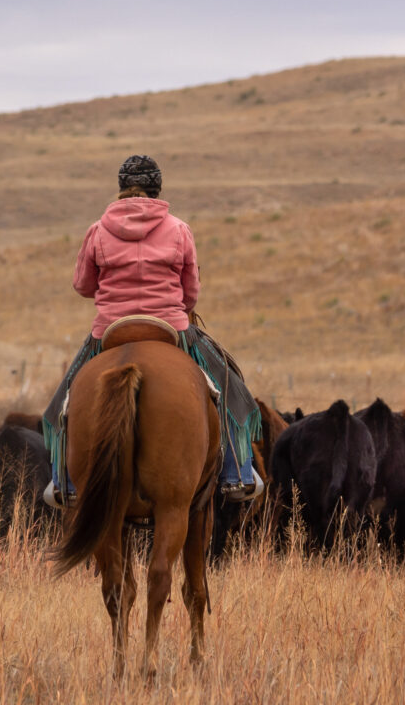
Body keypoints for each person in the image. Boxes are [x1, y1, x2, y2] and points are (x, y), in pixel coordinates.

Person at [41, 154, 262, 505]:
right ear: (157, 189)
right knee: (231, 391)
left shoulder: (97, 230)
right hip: (170, 328)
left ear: (120, 189)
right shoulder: (178, 229)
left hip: (110, 331)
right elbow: (191, 291)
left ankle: (64, 482)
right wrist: (179, 306)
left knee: (62, 404)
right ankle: (237, 473)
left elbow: (83, 286)